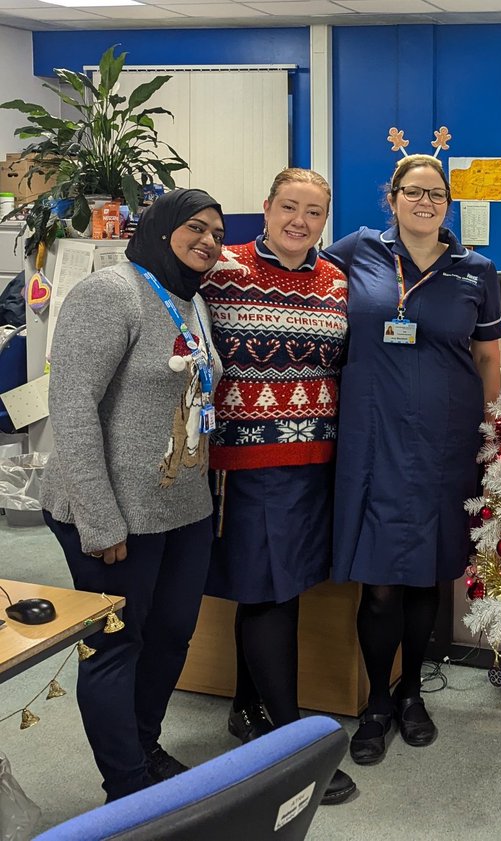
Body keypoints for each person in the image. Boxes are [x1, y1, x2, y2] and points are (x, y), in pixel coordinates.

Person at [41, 189, 225, 801]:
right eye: (195, 227)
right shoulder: (110, 293)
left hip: (183, 507)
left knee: (172, 635)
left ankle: (145, 750)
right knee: (118, 645)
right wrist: (100, 520)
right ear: (161, 228)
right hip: (114, 512)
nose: (208, 241)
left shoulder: (190, 302)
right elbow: (70, 409)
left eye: (218, 233)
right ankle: (126, 787)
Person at [324, 154, 501, 765]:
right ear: (392, 197)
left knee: (429, 574)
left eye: (436, 194)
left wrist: (495, 432)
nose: (425, 202)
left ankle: (411, 695)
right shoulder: (355, 252)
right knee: (379, 583)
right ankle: (376, 703)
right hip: (372, 441)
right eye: (413, 192)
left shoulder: (476, 270)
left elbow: (487, 361)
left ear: (447, 205)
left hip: (447, 442)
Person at [201, 168, 355, 804]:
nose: (300, 221)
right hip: (249, 462)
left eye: (313, 212)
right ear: (264, 209)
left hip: (315, 462)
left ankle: (247, 709)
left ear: (325, 221)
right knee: (269, 590)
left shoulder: (337, 282)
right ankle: (289, 743)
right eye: (288, 207)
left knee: (277, 588)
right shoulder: (222, 270)